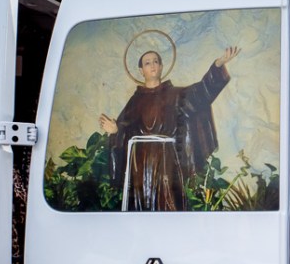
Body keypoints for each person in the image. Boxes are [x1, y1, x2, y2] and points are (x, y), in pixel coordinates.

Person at [99, 46, 239, 211]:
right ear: (141, 70)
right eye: (147, 63)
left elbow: (202, 92)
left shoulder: (176, 95)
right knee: (140, 206)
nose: (152, 65)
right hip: (140, 163)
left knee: (169, 203)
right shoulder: (135, 100)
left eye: (156, 61)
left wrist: (218, 65)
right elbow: (126, 130)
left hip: (167, 160)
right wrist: (116, 131)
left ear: (161, 67)